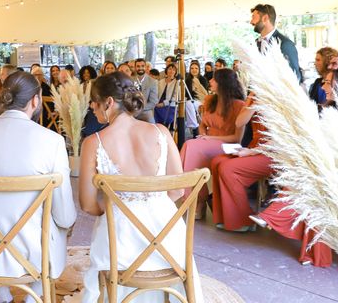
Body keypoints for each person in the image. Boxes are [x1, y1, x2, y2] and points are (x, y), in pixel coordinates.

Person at [79, 72, 203, 302]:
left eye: (94, 104)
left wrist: (117, 209)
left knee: (107, 226)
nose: (93, 110)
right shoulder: (162, 133)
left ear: (108, 102)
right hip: (169, 245)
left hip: (120, 249)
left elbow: (87, 205)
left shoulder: (92, 143)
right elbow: (177, 190)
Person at [0, 71, 76, 303]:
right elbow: (65, 217)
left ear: (2, 96)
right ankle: (34, 296)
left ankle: (2, 295)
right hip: (34, 252)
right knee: (61, 219)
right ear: (35, 100)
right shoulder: (52, 141)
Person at [180, 68, 245, 219]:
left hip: (227, 144)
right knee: (190, 146)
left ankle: (197, 201)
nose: (210, 81)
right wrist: (203, 136)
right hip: (208, 142)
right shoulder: (210, 100)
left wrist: (210, 139)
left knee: (190, 146)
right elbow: (202, 125)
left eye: (214, 79)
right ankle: (198, 199)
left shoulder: (239, 105)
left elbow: (237, 139)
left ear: (223, 83)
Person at [210, 93, 271, 232]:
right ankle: (225, 217)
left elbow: (282, 138)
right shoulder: (256, 96)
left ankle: (243, 219)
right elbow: (239, 122)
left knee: (228, 168)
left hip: (273, 153)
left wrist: (251, 152)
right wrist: (251, 103)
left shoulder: (280, 98)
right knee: (216, 161)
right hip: (255, 147)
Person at [250, 3, 302, 82]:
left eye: (253, 17)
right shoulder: (255, 44)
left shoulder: (285, 44)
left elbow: (295, 76)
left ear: (265, 18)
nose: (251, 22)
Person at [132, 58, 158, 123]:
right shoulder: (130, 80)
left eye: (142, 66)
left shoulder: (153, 81)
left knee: (151, 122)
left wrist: (140, 108)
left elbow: (153, 102)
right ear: (135, 68)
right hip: (132, 110)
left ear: (145, 67)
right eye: (138, 66)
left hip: (146, 111)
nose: (140, 68)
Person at [154, 63, 178, 127]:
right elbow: (156, 93)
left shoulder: (177, 82)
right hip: (158, 103)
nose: (171, 71)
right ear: (166, 70)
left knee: (158, 111)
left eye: (174, 70)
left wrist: (163, 104)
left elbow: (175, 97)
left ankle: (164, 128)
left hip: (170, 105)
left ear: (175, 72)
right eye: (170, 69)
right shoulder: (161, 81)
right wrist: (156, 102)